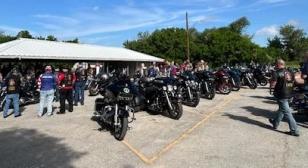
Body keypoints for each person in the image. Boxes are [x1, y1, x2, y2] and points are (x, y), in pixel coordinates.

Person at [268, 59, 299, 136]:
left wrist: (270, 81)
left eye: (275, 64)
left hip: (282, 95)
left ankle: (295, 131)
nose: (275, 65)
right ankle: (275, 123)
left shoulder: (276, 73)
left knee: (287, 113)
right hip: (290, 94)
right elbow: (294, 82)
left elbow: (273, 85)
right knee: (282, 110)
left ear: (278, 64)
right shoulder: (291, 72)